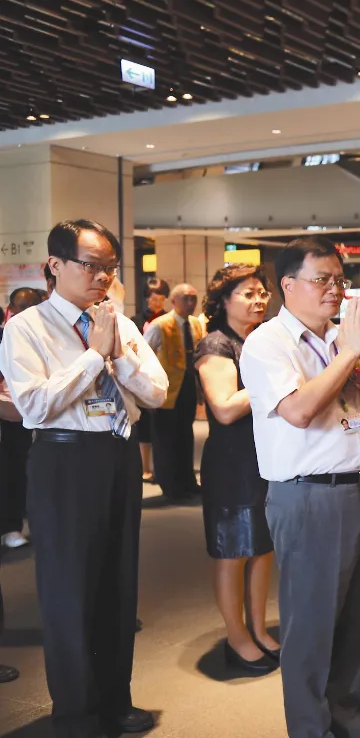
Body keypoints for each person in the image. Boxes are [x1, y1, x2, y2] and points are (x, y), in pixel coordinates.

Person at [0, 219, 167, 738]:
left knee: (118, 585)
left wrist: (115, 349)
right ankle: (76, 714)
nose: (102, 277)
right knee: (69, 590)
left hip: (117, 456)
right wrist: (95, 354)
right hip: (64, 460)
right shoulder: (25, 328)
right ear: (56, 266)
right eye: (91, 265)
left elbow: (158, 391)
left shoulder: (119, 323)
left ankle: (116, 702)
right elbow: (33, 405)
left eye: (110, 268)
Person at [240, 236, 360, 738]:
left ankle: (350, 723)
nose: (335, 289)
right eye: (322, 280)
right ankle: (311, 730)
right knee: (311, 629)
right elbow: (298, 410)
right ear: (287, 285)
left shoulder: (344, 336)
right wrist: (347, 357)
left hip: (358, 487)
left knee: (359, 622)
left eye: (339, 279)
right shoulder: (267, 343)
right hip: (307, 495)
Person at [194, 265, 278, 674]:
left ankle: (259, 629)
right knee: (232, 552)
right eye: (247, 293)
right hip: (232, 461)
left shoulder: (261, 341)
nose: (259, 299)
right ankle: (236, 636)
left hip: (266, 457)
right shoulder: (216, 344)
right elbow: (224, 408)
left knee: (263, 549)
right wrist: (273, 381)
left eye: (262, 292)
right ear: (224, 300)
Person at [145, 284, 205, 500]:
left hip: (188, 387)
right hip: (166, 392)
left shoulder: (196, 324)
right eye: (186, 299)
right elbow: (144, 354)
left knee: (185, 436)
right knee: (166, 440)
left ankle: (187, 481)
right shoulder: (160, 325)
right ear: (174, 301)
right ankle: (170, 486)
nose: (191, 303)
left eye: (193, 299)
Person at [0, 288, 45, 549]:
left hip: (27, 414)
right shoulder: (6, 334)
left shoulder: (44, 336)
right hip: (8, 411)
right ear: (11, 308)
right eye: (22, 307)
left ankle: (12, 526)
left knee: (19, 471)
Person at [134, 278, 169, 483]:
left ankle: (161, 468)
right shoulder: (136, 320)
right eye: (154, 298)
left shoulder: (168, 321)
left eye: (161, 298)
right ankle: (145, 467)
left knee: (163, 428)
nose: (157, 302)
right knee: (144, 427)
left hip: (163, 377)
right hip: (141, 378)